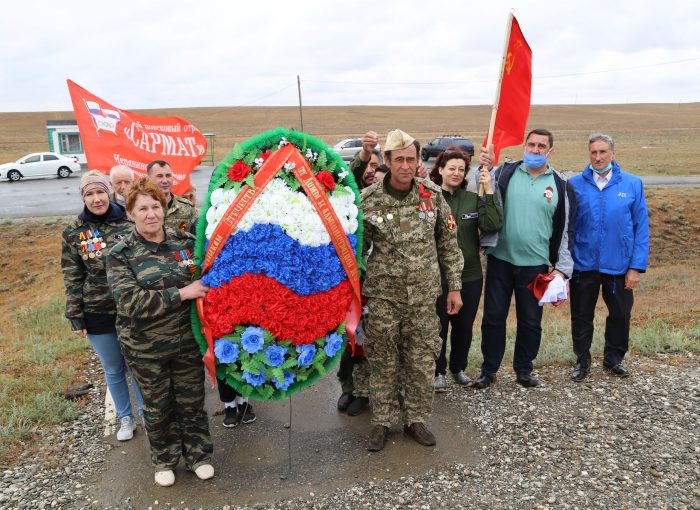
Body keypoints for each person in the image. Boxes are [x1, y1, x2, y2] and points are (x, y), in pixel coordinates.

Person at [106, 177, 214, 487]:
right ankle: (164, 459)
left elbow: (206, 282)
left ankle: (199, 456)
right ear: (130, 213)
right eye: (143, 208)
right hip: (145, 348)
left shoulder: (184, 243)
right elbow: (130, 303)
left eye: (156, 206)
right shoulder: (120, 253)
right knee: (157, 406)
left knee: (191, 402)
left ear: (164, 209)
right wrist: (182, 293)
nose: (151, 214)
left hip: (185, 344)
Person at [361, 129, 464, 451]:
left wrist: (455, 288)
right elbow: (355, 252)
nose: (406, 165)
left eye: (411, 159)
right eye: (399, 159)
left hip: (423, 296)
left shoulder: (432, 195)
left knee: (421, 360)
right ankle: (381, 421)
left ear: (418, 161)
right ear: (388, 161)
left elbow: (448, 244)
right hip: (383, 296)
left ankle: (416, 419)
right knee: (382, 359)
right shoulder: (368, 200)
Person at [475, 129, 574, 389]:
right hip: (501, 259)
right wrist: (484, 166)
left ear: (550, 151)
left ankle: (524, 369)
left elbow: (565, 229)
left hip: (536, 265)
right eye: (531, 144)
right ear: (524, 146)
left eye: (542, 146)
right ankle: (489, 370)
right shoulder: (505, 173)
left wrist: (563, 269)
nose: (535, 150)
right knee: (493, 318)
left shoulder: (560, 184)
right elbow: (482, 189)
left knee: (530, 320)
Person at [61, 171, 143, 441]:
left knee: (138, 364)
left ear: (109, 191)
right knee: (114, 368)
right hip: (97, 310)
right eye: (89, 194)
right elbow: (72, 276)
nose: (96, 199)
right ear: (82, 197)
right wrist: (76, 316)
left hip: (132, 306)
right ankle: (126, 417)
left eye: (100, 192)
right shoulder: (74, 232)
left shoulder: (131, 219)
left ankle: (147, 413)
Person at [568, 133, 649, 381]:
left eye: (603, 152)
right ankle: (582, 362)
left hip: (619, 266)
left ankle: (613, 359)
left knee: (620, 315)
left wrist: (635, 267)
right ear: (588, 154)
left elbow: (641, 227)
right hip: (584, 264)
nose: (598, 157)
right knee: (581, 315)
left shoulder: (632, 184)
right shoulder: (574, 184)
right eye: (593, 152)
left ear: (613, 153)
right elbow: (568, 226)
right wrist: (565, 263)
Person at [429, 148, 503, 391]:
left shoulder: (472, 198)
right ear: (440, 170)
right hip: (437, 277)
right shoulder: (428, 199)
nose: (456, 173)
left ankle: (457, 368)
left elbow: (493, 224)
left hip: (470, 275)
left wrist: (489, 190)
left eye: (461, 169)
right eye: (451, 168)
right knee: (437, 325)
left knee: (463, 326)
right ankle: (437, 371)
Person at [351, 130, 428, 189]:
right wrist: (365, 153)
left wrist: (416, 177)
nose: (369, 170)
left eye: (374, 165)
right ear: (387, 161)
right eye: (365, 166)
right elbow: (350, 176)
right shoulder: (361, 195)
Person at [146, 160, 197, 233]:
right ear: (149, 179)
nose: (165, 181)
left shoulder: (187, 208)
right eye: (159, 176)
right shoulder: (142, 209)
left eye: (168, 175)